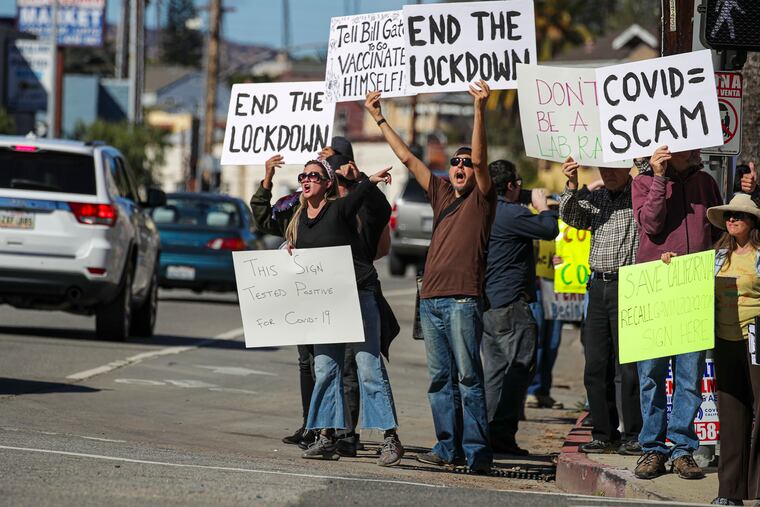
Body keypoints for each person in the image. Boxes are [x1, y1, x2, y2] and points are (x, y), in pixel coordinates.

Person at [364, 80, 495, 473]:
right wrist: (379, 118)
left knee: (469, 378)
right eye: (455, 163)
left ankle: (476, 454)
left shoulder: (482, 198)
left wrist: (479, 109)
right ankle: (447, 448)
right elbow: (407, 158)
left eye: (465, 164)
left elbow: (483, 161)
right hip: (433, 299)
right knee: (440, 380)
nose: (460, 167)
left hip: (462, 300)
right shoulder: (439, 194)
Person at [632, 146, 725, 480]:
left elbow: (716, 230)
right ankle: (652, 450)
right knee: (651, 375)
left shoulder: (705, 182)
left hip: (692, 288)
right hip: (654, 287)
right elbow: (650, 224)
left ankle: (683, 449)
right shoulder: (642, 182)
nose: (693, 150)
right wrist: (658, 180)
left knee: (689, 375)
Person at [559, 156, 643, 456]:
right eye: (602, 168)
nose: (606, 173)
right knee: (596, 364)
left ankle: (634, 433)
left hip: (628, 284)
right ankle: (604, 433)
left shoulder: (640, 194)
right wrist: (571, 183)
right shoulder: (595, 198)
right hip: (597, 287)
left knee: (629, 365)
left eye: (612, 167)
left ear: (627, 167)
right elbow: (571, 217)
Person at [482, 160, 559, 455]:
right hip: (511, 305)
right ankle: (502, 433)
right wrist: (542, 206)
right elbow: (550, 229)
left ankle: (487, 431)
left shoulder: (487, 210)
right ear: (512, 185)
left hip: (489, 304)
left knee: (494, 372)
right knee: (520, 369)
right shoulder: (512, 214)